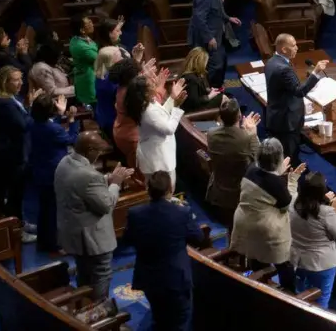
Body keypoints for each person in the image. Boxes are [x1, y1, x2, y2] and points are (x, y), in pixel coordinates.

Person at [57, 132, 135, 306]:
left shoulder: (65, 162)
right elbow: (106, 205)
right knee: (101, 274)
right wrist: (115, 183)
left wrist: (108, 178)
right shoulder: (88, 175)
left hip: (73, 234)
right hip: (93, 239)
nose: (100, 155)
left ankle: (84, 306)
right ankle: (98, 311)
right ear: (90, 150)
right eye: (98, 151)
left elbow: (83, 188)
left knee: (84, 272)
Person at [126, 170, 209, 331]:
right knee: (180, 320)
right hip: (175, 278)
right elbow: (199, 237)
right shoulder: (181, 212)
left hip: (149, 277)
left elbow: (129, 240)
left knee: (159, 318)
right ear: (170, 190)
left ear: (148, 189)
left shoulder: (135, 213)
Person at [232, 137, 304, 292]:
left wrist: (278, 172)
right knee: (285, 263)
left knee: (256, 257)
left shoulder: (251, 169)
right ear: (278, 159)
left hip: (243, 222)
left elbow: (265, 177)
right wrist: (292, 180)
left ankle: (258, 285)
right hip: (266, 230)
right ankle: (288, 292)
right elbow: (287, 206)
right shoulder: (276, 183)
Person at [264, 34, 327, 166]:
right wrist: (315, 72)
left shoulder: (271, 61)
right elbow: (299, 92)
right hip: (286, 121)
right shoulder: (283, 68)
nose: (297, 48)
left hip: (276, 115)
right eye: (293, 46)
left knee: (283, 154)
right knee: (288, 158)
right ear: (284, 49)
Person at [28, 92, 77, 253]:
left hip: (39, 170)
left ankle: (43, 241)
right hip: (53, 172)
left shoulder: (33, 123)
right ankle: (55, 244)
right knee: (55, 210)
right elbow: (71, 138)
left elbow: (50, 125)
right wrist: (71, 120)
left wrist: (60, 115)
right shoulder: (53, 129)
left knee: (44, 208)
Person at [290, 171, 336, 308]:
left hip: (297, 260)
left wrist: (292, 178)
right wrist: (335, 210)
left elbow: (292, 191)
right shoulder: (326, 212)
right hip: (321, 263)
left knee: (301, 296)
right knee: (321, 300)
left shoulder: (293, 202)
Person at [0, 66, 33, 232]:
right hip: (12, 155)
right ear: (5, 82)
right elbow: (22, 125)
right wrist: (32, 108)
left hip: (18, 151)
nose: (20, 83)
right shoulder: (5, 104)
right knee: (15, 194)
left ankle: (19, 224)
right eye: (16, 80)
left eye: (21, 79)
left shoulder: (12, 98)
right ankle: (17, 230)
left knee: (18, 193)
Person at [206, 98, 261, 222]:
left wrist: (244, 132)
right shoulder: (246, 138)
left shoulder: (211, 134)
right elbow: (260, 161)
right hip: (239, 193)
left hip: (219, 189)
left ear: (220, 117)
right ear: (240, 116)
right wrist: (253, 134)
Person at [187, 0, 240, 88]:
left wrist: (228, 18)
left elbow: (217, 10)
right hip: (206, 39)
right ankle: (208, 91)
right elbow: (199, 18)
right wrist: (209, 37)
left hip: (216, 35)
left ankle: (219, 90)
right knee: (215, 66)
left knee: (222, 62)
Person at [136, 73, 187, 179]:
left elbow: (161, 114)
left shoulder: (148, 102)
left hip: (159, 155)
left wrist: (172, 98)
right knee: (166, 187)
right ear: (145, 92)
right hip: (158, 162)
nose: (154, 84)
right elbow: (169, 129)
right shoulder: (147, 111)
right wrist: (176, 107)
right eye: (151, 84)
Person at [70, 15, 112, 106]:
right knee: (94, 107)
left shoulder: (81, 38)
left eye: (91, 21)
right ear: (82, 30)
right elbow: (101, 60)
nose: (92, 24)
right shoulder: (81, 47)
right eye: (88, 23)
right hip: (89, 81)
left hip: (93, 76)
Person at [95, 55, 137, 135]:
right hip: (115, 124)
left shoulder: (101, 77)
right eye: (119, 56)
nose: (122, 58)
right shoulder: (115, 86)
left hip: (104, 119)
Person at [29, 37, 75, 102]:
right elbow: (52, 92)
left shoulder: (49, 64)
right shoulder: (41, 68)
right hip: (50, 103)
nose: (59, 58)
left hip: (64, 98)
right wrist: (75, 89)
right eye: (58, 56)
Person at [178, 47, 223, 113]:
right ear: (200, 63)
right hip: (194, 111)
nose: (206, 65)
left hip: (198, 104)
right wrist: (209, 96)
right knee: (224, 98)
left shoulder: (194, 73)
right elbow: (195, 102)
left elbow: (197, 91)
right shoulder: (191, 79)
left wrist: (209, 91)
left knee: (224, 97)